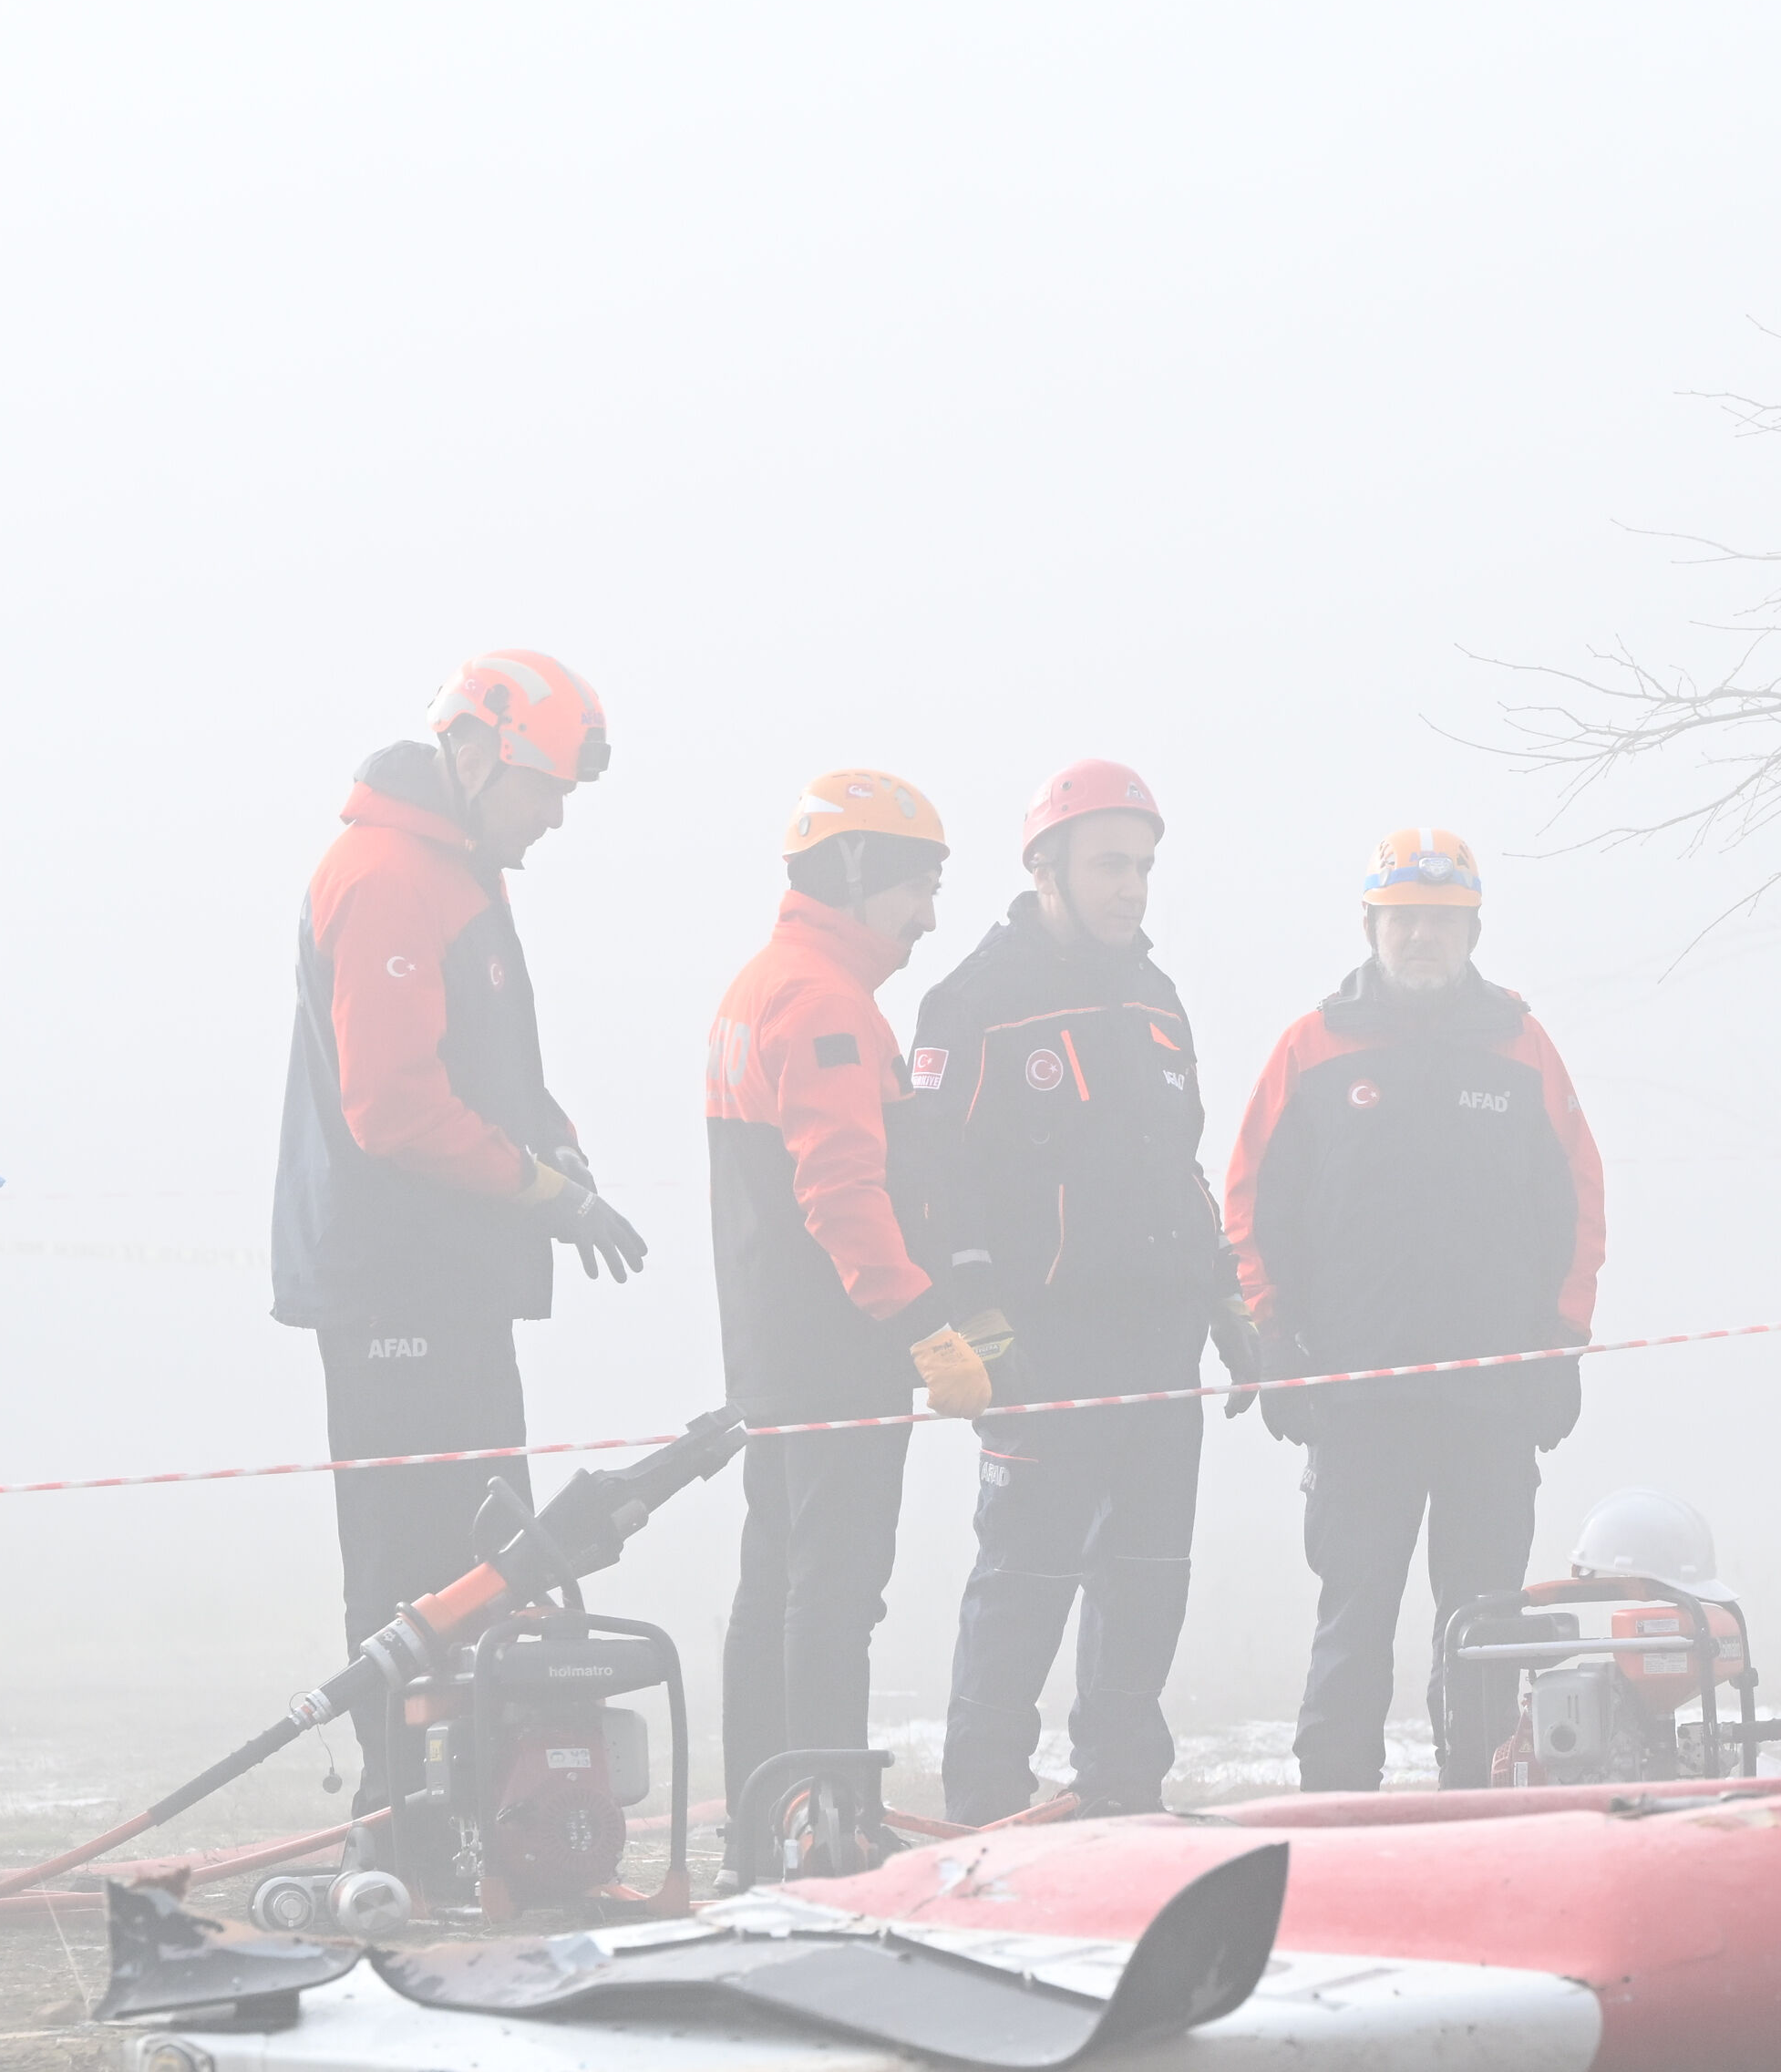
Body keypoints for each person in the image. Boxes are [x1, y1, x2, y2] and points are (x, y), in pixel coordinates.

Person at [269, 649, 645, 1853]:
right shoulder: (388, 876)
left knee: (486, 1548)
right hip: (393, 1283)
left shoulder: (459, 878)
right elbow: (395, 1107)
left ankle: (484, 1801)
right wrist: (547, 1194)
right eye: (544, 788)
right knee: (410, 1559)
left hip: (458, 1283)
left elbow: (493, 1072)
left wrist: (559, 1150)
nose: (554, 817)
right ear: (474, 757)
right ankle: (403, 1815)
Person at [1225, 827, 1610, 1791]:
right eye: (1405, 922)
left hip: (1491, 1403)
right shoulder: (1311, 1047)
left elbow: (1579, 1201)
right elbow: (1249, 1203)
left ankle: (1477, 1797)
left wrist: (1562, 1345)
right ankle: (1332, 1806)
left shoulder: (1522, 1048)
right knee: (1354, 1615)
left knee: (1483, 1622)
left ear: (1473, 930)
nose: (1422, 941)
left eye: (1441, 923)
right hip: (1357, 1403)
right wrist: (1273, 1338)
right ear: (1370, 927)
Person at [896, 758, 1224, 1824]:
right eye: (1108, 865)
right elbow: (933, 1175)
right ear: (1046, 868)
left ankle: (1123, 1795)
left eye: (1143, 867)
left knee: (1148, 1577)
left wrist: (1227, 1300)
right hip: (1043, 1343)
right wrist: (974, 1312)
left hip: (1161, 1347)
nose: (1130, 887)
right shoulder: (977, 1002)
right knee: (1026, 1579)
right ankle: (986, 1804)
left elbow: (1181, 1167)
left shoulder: (1156, 998)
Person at [705, 770, 997, 1869]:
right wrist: (922, 1324)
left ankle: (760, 1821)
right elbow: (840, 1193)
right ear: (861, 874)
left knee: (773, 1584)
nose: (929, 916)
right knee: (832, 1596)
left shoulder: (765, 983)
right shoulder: (825, 1002)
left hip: (774, 1354)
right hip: (833, 1356)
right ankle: (822, 1827)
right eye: (919, 887)